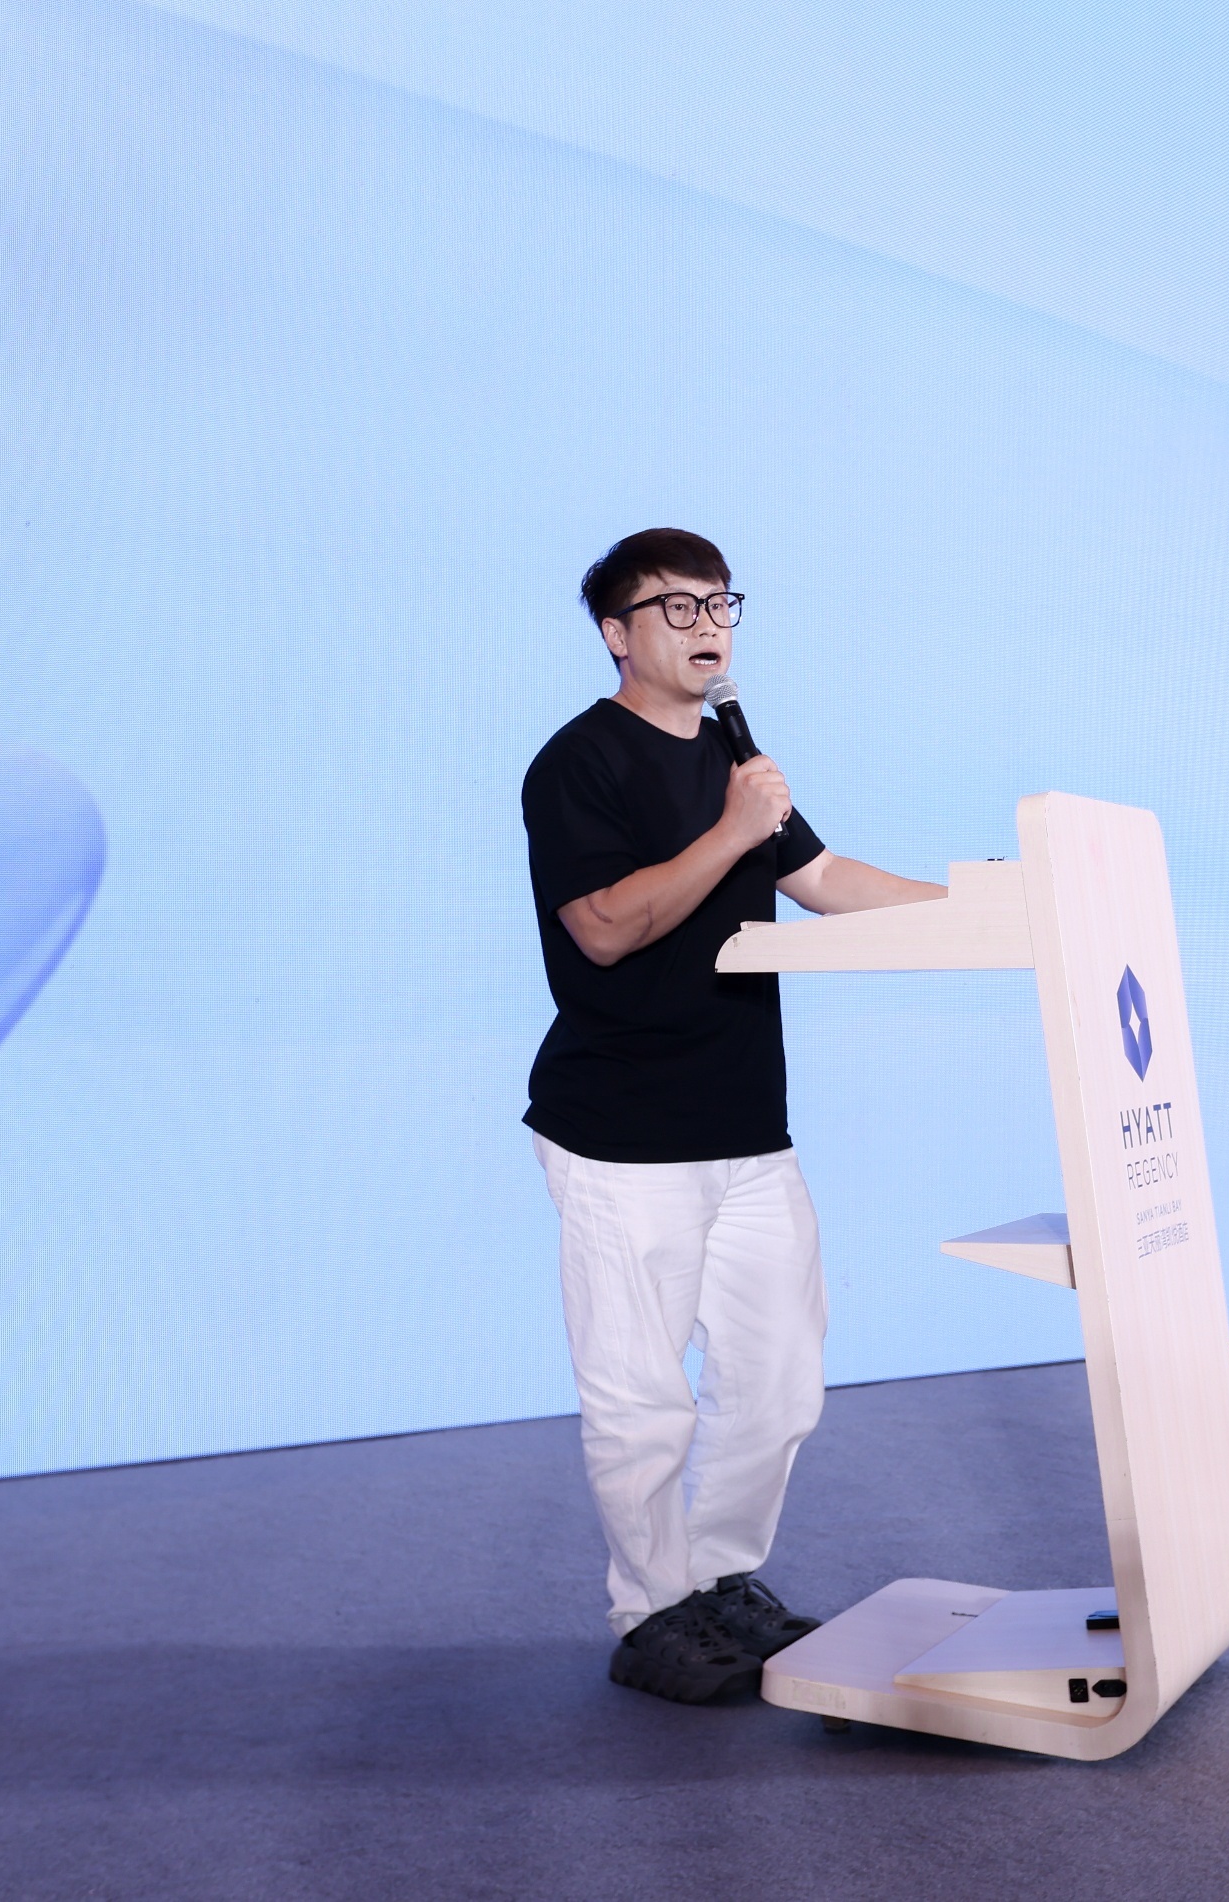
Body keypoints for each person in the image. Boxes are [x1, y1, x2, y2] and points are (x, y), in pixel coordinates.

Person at [521, 527, 946, 1703]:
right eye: (677, 606)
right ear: (615, 632)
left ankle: (716, 1580)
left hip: (746, 1125)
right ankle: (649, 1610)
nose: (707, 624)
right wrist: (730, 829)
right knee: (641, 1396)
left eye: (720, 603)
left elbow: (824, 881)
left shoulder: (732, 758)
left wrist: (986, 906)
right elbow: (605, 926)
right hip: (621, 1132)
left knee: (779, 1380)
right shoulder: (578, 762)